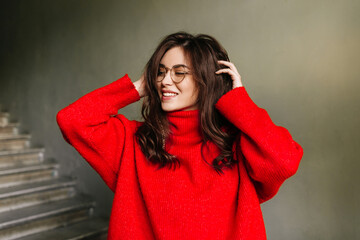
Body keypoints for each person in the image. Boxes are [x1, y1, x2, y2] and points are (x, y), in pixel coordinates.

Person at [57, 32, 303, 240]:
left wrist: (239, 101)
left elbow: (284, 160)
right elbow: (73, 121)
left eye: (179, 72)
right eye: (161, 72)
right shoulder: (135, 140)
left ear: (206, 80)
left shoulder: (236, 143)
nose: (165, 80)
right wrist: (137, 87)